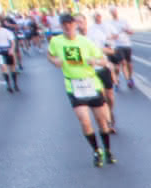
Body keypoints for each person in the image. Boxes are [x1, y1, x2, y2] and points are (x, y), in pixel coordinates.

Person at [47, 12, 116, 166]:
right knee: (85, 121)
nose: (68, 27)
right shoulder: (56, 42)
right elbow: (50, 55)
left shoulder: (86, 42)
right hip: (74, 86)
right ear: (61, 26)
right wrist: (54, 61)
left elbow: (104, 61)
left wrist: (95, 61)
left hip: (91, 84)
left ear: (75, 25)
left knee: (102, 121)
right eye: (64, 25)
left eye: (70, 24)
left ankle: (107, 150)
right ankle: (96, 150)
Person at [84, 12, 119, 132]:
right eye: (76, 22)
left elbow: (111, 50)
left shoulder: (95, 33)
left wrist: (96, 50)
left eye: (81, 21)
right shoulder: (73, 40)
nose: (79, 25)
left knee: (110, 96)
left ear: (85, 22)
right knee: (102, 98)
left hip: (103, 68)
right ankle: (108, 122)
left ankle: (110, 112)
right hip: (89, 73)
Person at [105, 7, 136, 88]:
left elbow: (132, 31)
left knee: (129, 63)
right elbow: (107, 35)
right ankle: (127, 80)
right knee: (123, 62)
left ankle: (130, 77)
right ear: (110, 13)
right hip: (117, 46)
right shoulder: (109, 23)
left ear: (117, 12)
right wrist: (112, 36)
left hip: (126, 44)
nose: (114, 13)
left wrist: (127, 31)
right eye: (112, 12)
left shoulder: (123, 20)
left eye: (114, 11)